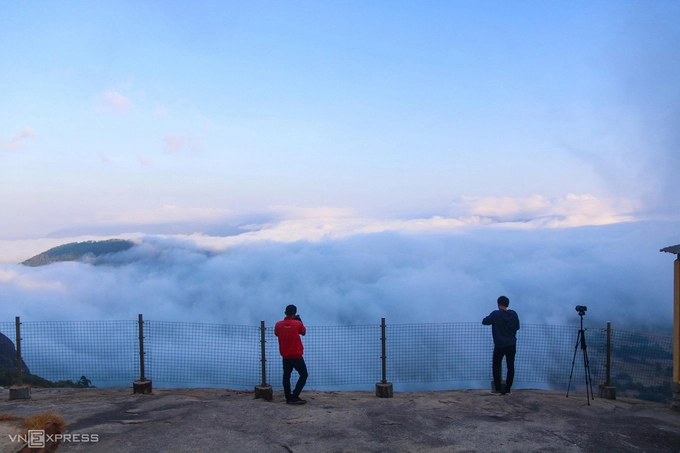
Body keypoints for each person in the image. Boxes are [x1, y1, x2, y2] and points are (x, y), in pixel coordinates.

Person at [482, 295, 520, 395]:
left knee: (496, 365)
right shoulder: (514, 314)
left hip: (499, 345)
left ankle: (498, 388)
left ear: (498, 304)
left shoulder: (495, 314)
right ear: (507, 304)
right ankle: (508, 388)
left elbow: (484, 321)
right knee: (510, 366)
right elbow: (517, 327)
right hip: (511, 344)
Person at [274, 304, 308, 404]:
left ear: (285, 313)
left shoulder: (278, 324)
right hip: (296, 355)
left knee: (286, 376)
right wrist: (299, 320)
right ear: (294, 313)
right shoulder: (297, 324)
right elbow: (303, 332)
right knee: (304, 375)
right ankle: (295, 395)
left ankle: (288, 397)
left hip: (285, 355)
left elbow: (276, 333)